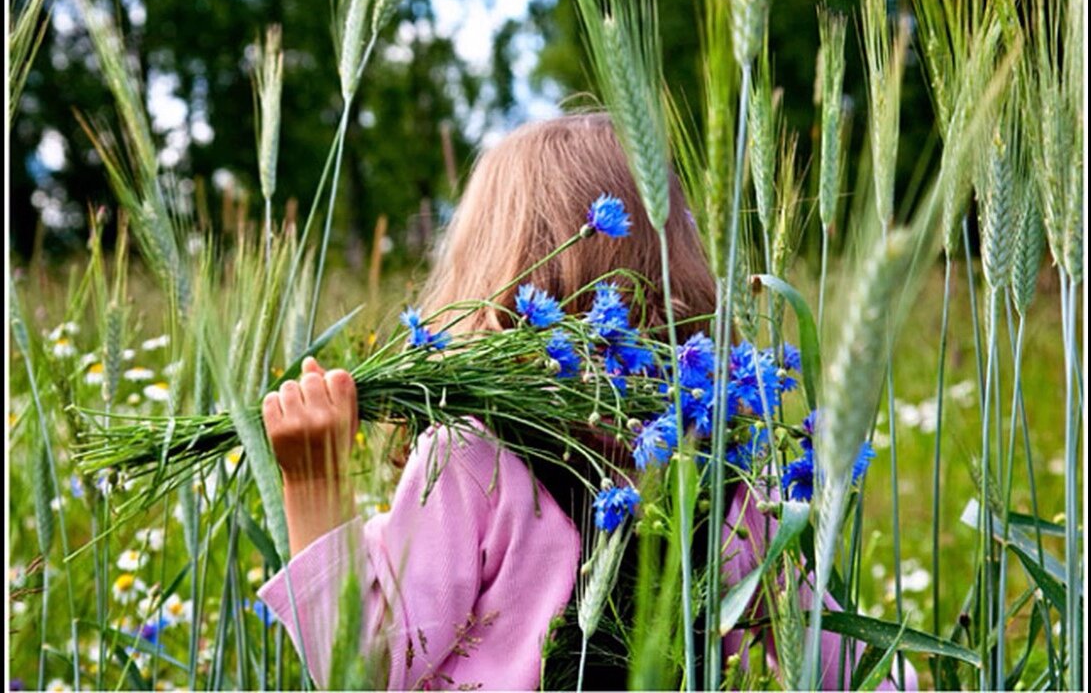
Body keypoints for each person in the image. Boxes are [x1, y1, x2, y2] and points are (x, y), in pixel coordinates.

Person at [258, 114, 917, 690]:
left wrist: (313, 485)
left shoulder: (473, 456)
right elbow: (848, 669)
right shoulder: (734, 474)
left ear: (494, 275)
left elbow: (371, 668)